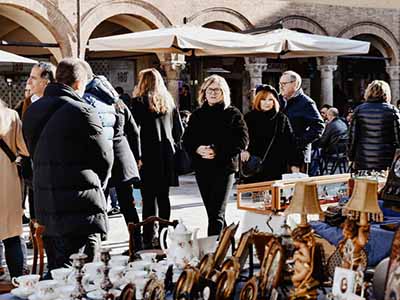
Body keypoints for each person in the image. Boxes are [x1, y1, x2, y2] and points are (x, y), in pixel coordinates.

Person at [22, 58, 113, 271]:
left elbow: (34, 154)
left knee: (59, 275)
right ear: (79, 83)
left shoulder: (32, 111)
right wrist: (97, 184)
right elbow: (104, 158)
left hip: (47, 206)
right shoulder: (83, 110)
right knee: (88, 275)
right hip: (81, 209)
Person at [83, 69, 142, 250]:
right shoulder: (119, 103)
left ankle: (100, 238)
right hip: (122, 156)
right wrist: (137, 156)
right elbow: (133, 131)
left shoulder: (90, 102)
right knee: (127, 204)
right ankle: (136, 243)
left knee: (100, 202)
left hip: (103, 158)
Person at [183, 74, 248, 236]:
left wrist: (217, 151)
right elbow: (187, 139)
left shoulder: (233, 114)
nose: (213, 93)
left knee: (217, 212)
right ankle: (226, 242)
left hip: (224, 168)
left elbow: (242, 140)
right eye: (209, 90)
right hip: (203, 168)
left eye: (217, 90)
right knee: (213, 211)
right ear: (203, 92)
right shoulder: (197, 115)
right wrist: (197, 149)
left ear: (224, 92)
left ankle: (212, 251)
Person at [131, 68, 183, 248]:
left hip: (146, 156)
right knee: (164, 197)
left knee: (148, 200)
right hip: (166, 156)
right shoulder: (169, 103)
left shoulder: (137, 103)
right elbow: (179, 132)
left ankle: (148, 237)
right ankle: (164, 235)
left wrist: (136, 157)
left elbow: (134, 132)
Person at [240, 84, 299, 182]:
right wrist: (243, 150)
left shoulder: (281, 118)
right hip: (255, 164)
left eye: (270, 100)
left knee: (274, 195)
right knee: (258, 195)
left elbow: (290, 142)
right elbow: (241, 137)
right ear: (258, 100)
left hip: (276, 164)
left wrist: (294, 164)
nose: (267, 103)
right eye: (263, 99)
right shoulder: (249, 117)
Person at [0, 99, 29, 278]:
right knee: (11, 236)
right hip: (7, 183)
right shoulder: (11, 116)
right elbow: (25, 149)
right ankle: (18, 280)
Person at [348, 80, 400, 172]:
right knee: (384, 185)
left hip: (363, 158)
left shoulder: (359, 110)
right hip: (386, 159)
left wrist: (351, 157)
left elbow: (352, 137)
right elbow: (398, 138)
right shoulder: (392, 110)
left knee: (364, 185)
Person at [279, 71, 325, 173]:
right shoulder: (278, 100)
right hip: (279, 153)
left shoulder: (306, 103)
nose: (281, 87)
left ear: (295, 84)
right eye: (280, 84)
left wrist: (299, 142)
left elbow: (319, 126)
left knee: (296, 187)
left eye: (284, 84)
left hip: (298, 156)